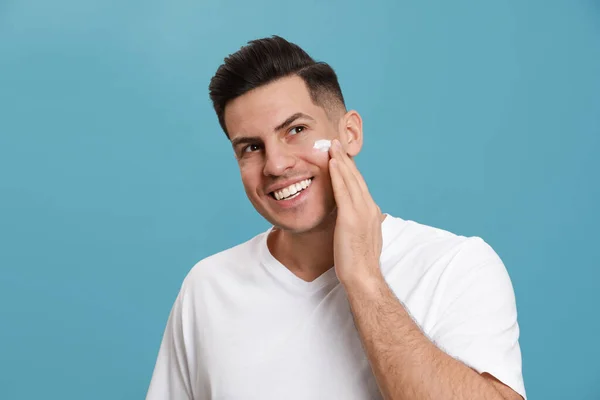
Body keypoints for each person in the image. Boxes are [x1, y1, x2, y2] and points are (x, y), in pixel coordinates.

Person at [146, 35, 527, 400]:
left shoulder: (455, 268)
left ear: (350, 134)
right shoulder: (208, 287)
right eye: (252, 147)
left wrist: (363, 279)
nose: (276, 164)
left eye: (296, 130)